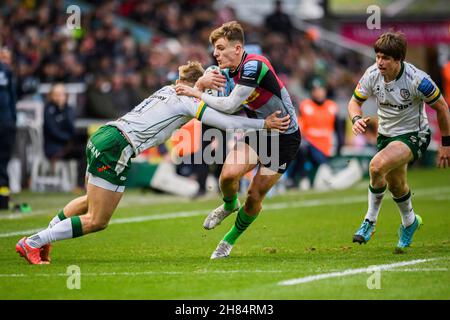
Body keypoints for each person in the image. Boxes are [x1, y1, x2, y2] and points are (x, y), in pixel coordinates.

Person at [15, 61, 290, 264]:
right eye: (213, 81)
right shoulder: (188, 101)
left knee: (89, 200)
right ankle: (34, 241)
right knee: (98, 220)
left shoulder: (167, 89)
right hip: (118, 146)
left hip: (103, 135)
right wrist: (263, 123)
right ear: (201, 82)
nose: (218, 87)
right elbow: (228, 121)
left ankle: (43, 238)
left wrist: (200, 88)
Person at [175, 21, 300, 259]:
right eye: (214, 49)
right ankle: (230, 205)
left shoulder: (255, 65)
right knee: (229, 175)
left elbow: (231, 105)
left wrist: (198, 93)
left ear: (238, 48)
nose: (215, 54)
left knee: (254, 196)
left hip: (284, 137)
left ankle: (227, 242)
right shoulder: (221, 73)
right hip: (260, 133)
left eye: (221, 48)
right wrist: (203, 83)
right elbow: (226, 111)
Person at [349, 31, 450, 251]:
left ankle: (369, 222)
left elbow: (442, 107)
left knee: (376, 166)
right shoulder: (371, 74)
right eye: (377, 56)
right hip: (386, 135)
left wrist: (445, 143)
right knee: (396, 186)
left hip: (414, 135)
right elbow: (354, 102)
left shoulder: (418, 80)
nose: (380, 62)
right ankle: (410, 222)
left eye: (385, 58)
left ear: (398, 60)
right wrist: (356, 119)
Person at [286, 76, 338, 189]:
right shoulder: (305, 106)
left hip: (327, 147)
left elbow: (338, 130)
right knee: (301, 146)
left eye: (321, 89)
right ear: (311, 92)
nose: (318, 92)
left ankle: (296, 179)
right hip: (310, 145)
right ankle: (301, 178)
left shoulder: (332, 106)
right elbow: (299, 129)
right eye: (315, 90)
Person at [0, 47, 16, 210]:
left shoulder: (7, 72)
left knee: (4, 162)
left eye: (7, 57)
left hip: (6, 124)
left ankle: (3, 200)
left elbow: (12, 99)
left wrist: (12, 121)